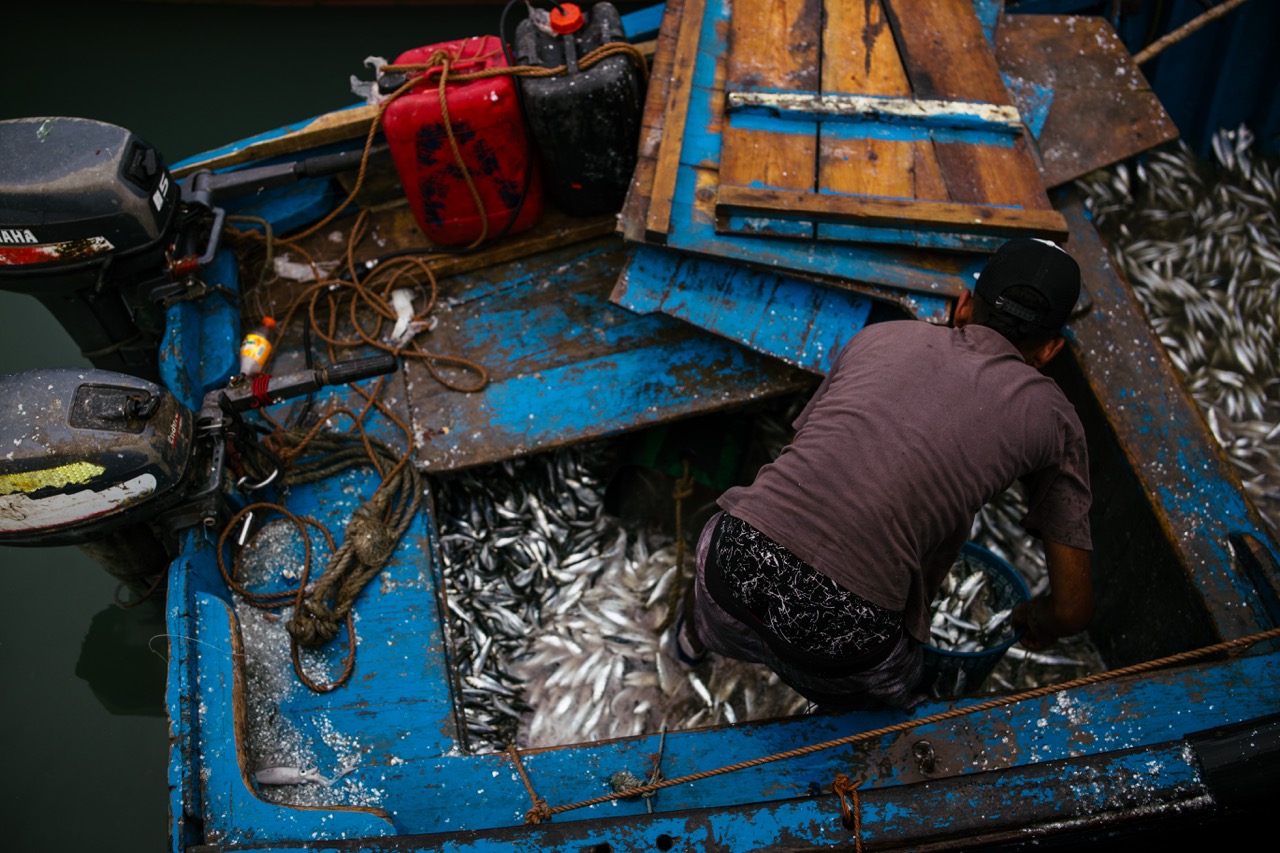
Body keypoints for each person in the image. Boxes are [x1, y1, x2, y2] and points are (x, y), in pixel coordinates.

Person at [674, 238, 1094, 710]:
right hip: (847, 637)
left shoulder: (880, 336)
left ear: (962, 307)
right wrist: (1037, 617)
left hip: (731, 565)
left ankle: (689, 640)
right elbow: (1073, 609)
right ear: (1051, 349)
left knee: (715, 589)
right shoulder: (1056, 421)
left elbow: (805, 453)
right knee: (892, 701)